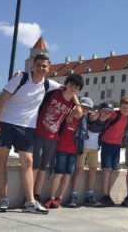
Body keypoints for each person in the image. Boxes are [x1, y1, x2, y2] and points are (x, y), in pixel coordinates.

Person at [0, 54, 59, 214]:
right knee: (2, 160)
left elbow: (69, 88)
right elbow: (1, 99)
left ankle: (30, 202)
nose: (41, 68)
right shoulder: (20, 79)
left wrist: (76, 104)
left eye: (44, 66)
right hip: (6, 123)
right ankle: (4, 199)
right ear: (32, 66)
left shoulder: (49, 84)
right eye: (38, 65)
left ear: (48, 69)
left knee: (28, 162)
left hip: (27, 127)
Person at [32, 74, 84, 203]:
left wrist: (77, 103)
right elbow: (40, 82)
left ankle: (37, 194)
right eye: (71, 85)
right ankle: (29, 195)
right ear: (66, 84)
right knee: (35, 166)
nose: (73, 88)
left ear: (79, 89)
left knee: (44, 167)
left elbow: (80, 113)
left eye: (76, 87)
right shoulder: (54, 93)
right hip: (38, 131)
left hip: (53, 137)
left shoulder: (73, 104)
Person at [43, 97, 93, 209]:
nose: (84, 110)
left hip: (74, 150)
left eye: (87, 109)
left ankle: (59, 197)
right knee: (58, 173)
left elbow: (98, 116)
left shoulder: (85, 119)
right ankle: (51, 197)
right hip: (61, 148)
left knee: (68, 174)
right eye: (83, 107)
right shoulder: (68, 115)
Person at [67, 101, 113, 207]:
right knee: (79, 170)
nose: (107, 114)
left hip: (94, 148)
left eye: (109, 112)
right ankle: (73, 197)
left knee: (93, 171)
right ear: (99, 110)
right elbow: (93, 117)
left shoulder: (106, 119)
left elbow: (115, 110)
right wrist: (97, 113)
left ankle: (90, 196)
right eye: (105, 111)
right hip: (83, 146)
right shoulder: (92, 116)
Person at [99, 96, 128, 206]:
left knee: (114, 169)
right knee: (107, 169)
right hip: (107, 143)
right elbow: (104, 112)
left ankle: (108, 194)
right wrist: (116, 109)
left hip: (117, 145)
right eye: (124, 107)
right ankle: (104, 195)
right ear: (120, 106)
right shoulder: (115, 114)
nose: (126, 109)